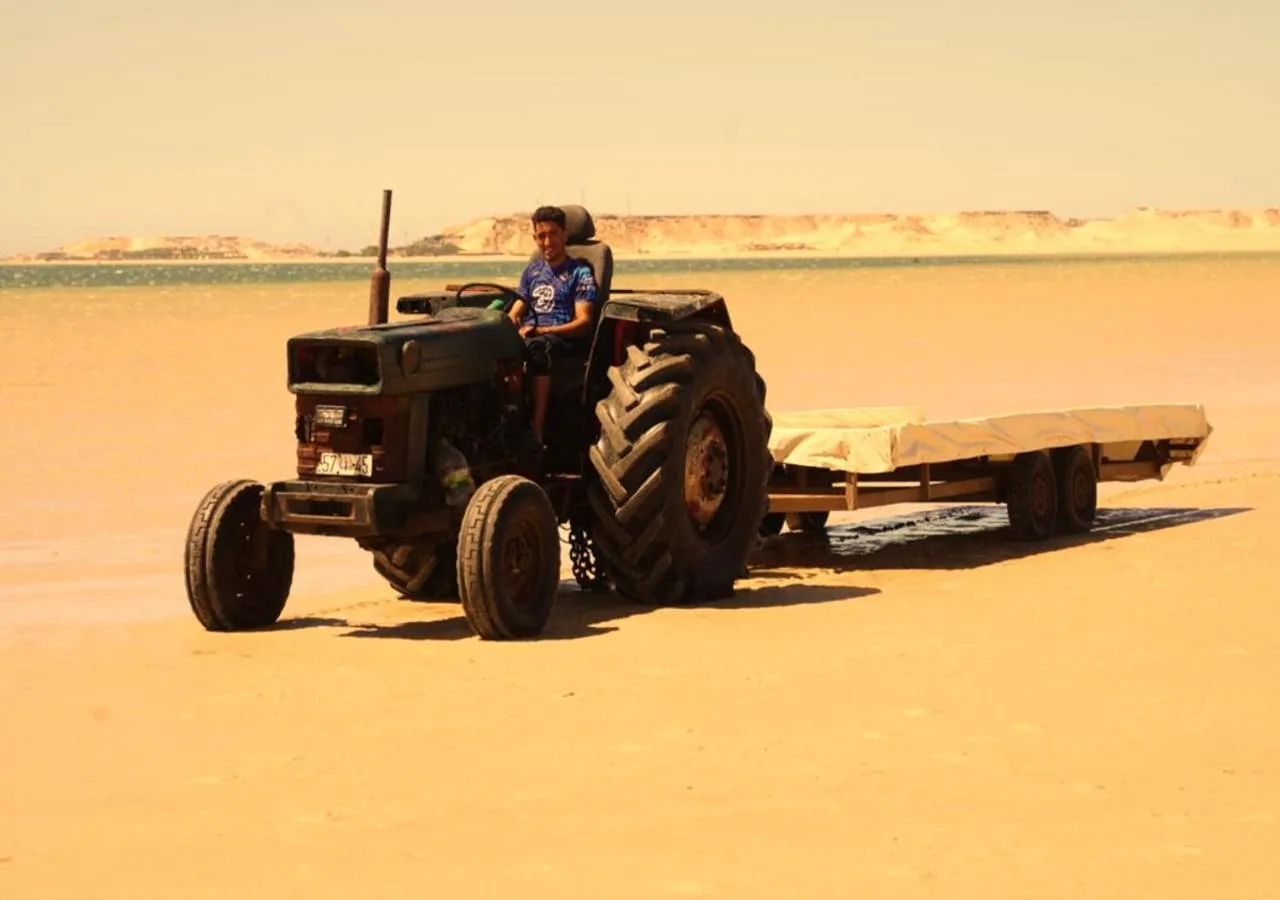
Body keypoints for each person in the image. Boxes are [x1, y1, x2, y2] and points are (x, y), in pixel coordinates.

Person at [507, 206, 598, 445]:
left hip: (563, 338)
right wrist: (506, 326)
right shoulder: (532, 271)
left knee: (537, 348)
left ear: (564, 235)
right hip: (533, 333)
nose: (547, 242)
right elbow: (517, 309)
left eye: (553, 234)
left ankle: (536, 431)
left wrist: (543, 331)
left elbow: (584, 323)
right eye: (541, 236)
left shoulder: (580, 271)